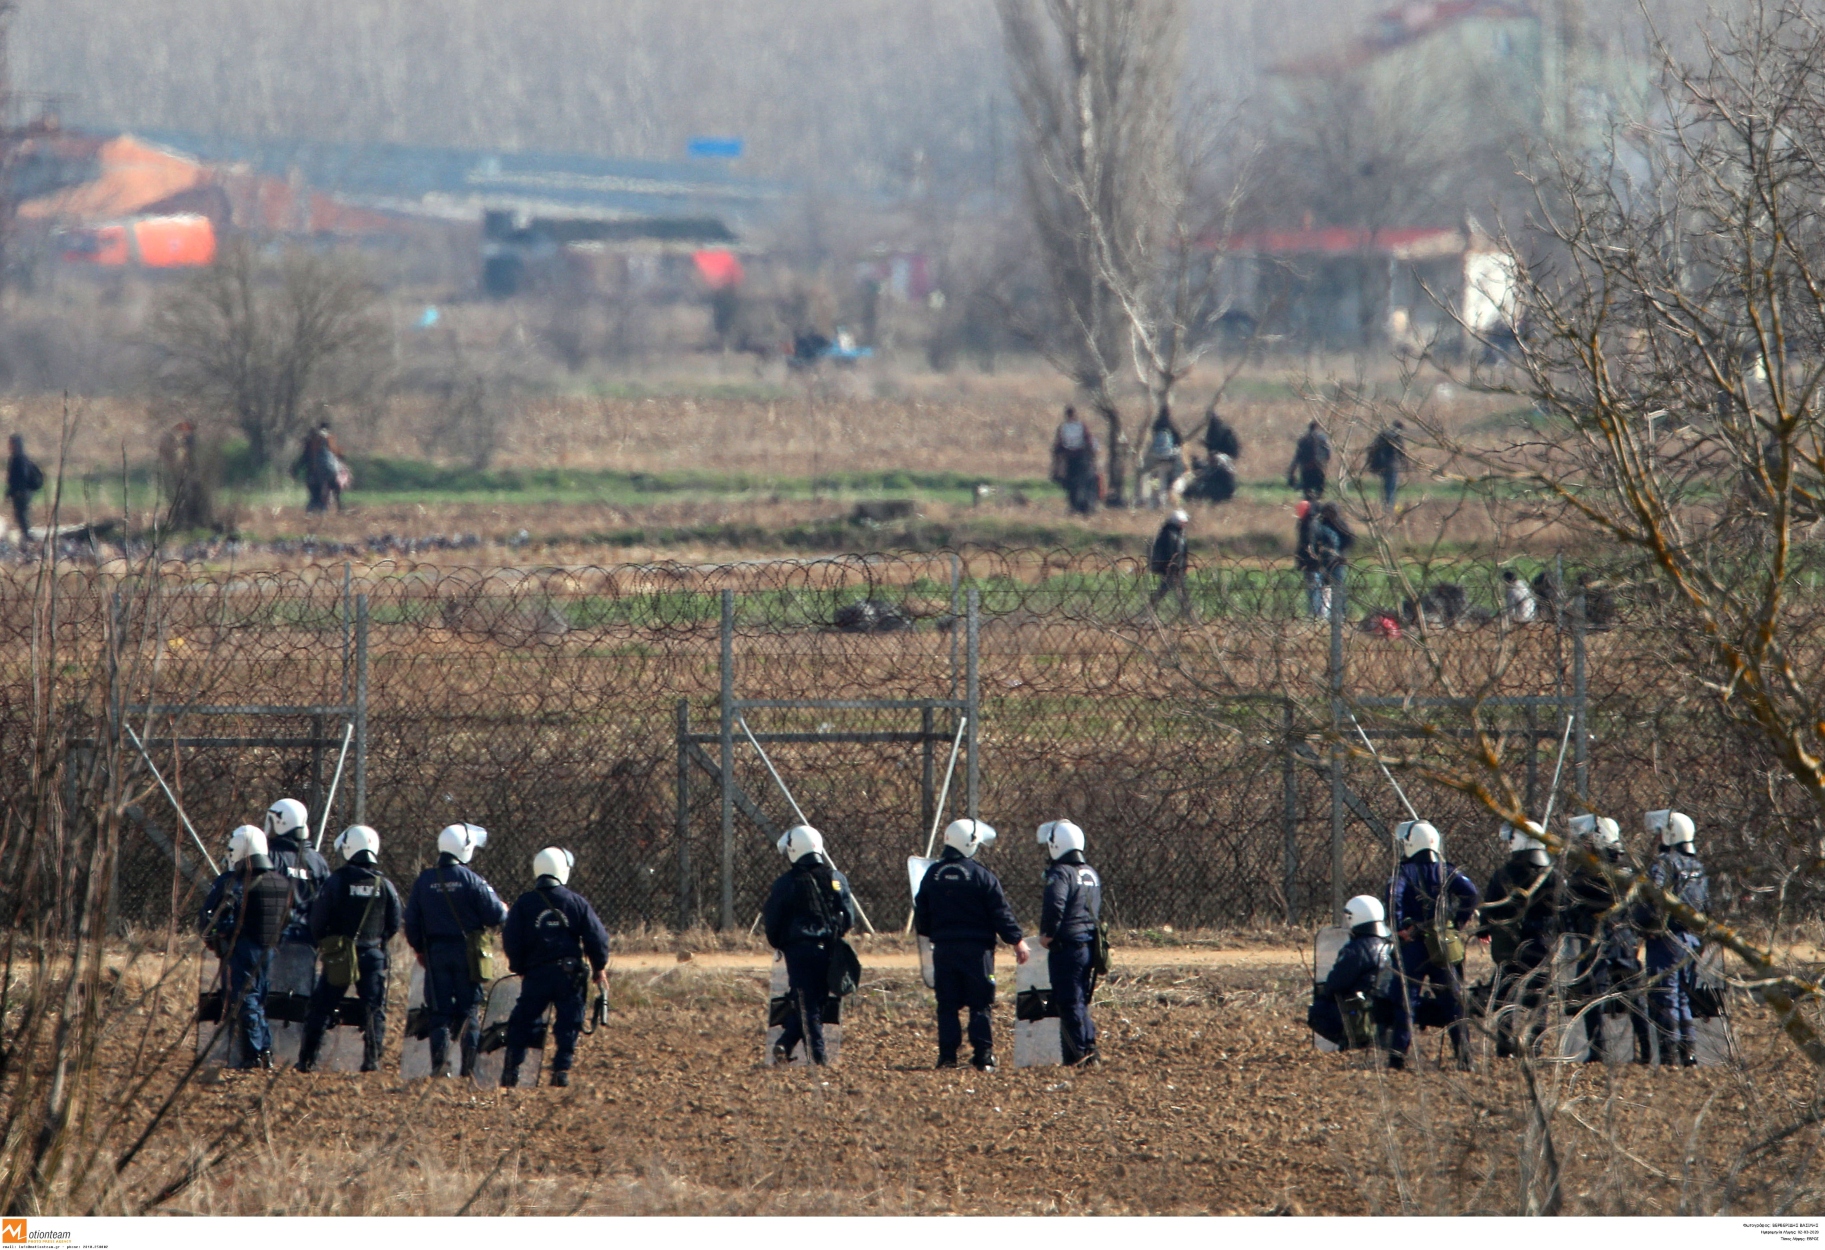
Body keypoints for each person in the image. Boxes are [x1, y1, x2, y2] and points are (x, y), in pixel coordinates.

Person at [913, 819, 1030, 1071]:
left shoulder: (931, 875)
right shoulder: (981, 875)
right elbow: (1000, 912)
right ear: (969, 844)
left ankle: (947, 1058)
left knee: (947, 1005)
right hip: (978, 952)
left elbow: (921, 918)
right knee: (980, 1004)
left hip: (944, 950)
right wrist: (1016, 940)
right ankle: (984, 1057)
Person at [403, 823, 508, 1078]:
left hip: (435, 953)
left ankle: (439, 1067)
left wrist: (420, 949)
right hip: (468, 955)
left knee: (439, 1013)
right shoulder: (472, 880)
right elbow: (497, 914)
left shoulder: (424, 881)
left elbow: (411, 921)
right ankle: (468, 1070)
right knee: (469, 1010)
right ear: (464, 849)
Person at [499, 847, 611, 1088]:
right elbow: (597, 938)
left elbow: (510, 938)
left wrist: (519, 966)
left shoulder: (523, 904)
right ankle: (561, 1071)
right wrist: (599, 967)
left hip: (536, 974)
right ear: (563, 870)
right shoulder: (576, 902)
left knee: (524, 1020)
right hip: (568, 976)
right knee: (569, 1022)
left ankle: (511, 1070)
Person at [296, 824, 401, 1073]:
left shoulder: (337, 881)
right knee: (374, 1009)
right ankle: (371, 1061)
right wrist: (377, 941)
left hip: (341, 956)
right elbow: (395, 922)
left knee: (321, 1007)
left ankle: (308, 1060)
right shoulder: (384, 884)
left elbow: (318, 920)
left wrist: (327, 943)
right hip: (373, 953)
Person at [197, 826, 293, 1069]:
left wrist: (216, 936)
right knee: (259, 999)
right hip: (269, 948)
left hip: (242, 948)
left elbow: (210, 920)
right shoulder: (280, 882)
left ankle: (253, 1053)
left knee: (245, 998)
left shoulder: (233, 883)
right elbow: (286, 919)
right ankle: (266, 1050)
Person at [1386, 820, 1480, 1070]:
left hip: (1413, 946)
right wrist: (1456, 923)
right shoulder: (1446, 870)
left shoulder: (1403, 872)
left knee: (1406, 1002)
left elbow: (1393, 898)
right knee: (1454, 1003)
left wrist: (1399, 928)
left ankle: (1397, 1059)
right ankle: (1465, 1058)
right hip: (1443, 945)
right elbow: (1471, 893)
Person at [762, 825, 858, 1067]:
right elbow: (848, 916)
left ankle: (816, 1058)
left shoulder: (786, 882)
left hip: (799, 950)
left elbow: (772, 921)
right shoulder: (836, 878)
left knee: (806, 1003)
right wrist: (835, 935)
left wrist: (781, 943)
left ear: (794, 850)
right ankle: (794, 1048)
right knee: (817, 1001)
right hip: (829, 949)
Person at [1565, 815, 1650, 1064]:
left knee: (1590, 994)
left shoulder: (1588, 872)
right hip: (1624, 941)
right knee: (1634, 995)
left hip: (1597, 942)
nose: (1584, 846)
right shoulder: (1627, 869)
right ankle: (1646, 1049)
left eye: (1587, 841)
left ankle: (1598, 1050)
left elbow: (1573, 906)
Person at [1476, 820, 1557, 1058]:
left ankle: (1505, 1044)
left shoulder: (1504, 874)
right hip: (1542, 943)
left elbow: (1489, 907)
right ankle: (1535, 1045)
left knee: (1505, 995)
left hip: (1510, 945)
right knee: (1539, 995)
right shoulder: (1552, 874)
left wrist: (1484, 929)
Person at [1635, 811, 1707, 1067]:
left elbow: (1654, 898)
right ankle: (1689, 1052)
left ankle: (1669, 1054)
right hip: (1690, 940)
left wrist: (1639, 921)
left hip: (1666, 940)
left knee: (1665, 997)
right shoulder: (1697, 866)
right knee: (1683, 997)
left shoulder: (1665, 863)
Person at [1037, 820, 1103, 1066]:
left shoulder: (1061, 873)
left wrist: (1048, 933)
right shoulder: (1090, 873)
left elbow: (1056, 904)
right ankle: (1089, 1047)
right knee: (1080, 999)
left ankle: (1079, 1055)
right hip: (1086, 945)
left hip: (1067, 947)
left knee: (1068, 1001)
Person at [1308, 895, 1396, 1057]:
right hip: (1387, 1010)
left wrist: (1325, 993)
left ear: (1353, 918)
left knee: (1318, 1010)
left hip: (1362, 1012)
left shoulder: (1357, 949)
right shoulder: (1390, 943)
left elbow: (1336, 983)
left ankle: (1352, 1042)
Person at [263, 798, 331, 947]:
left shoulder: (270, 855)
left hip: (276, 938)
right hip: (308, 938)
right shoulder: (317, 860)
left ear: (281, 822)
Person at [1297, 501, 1352, 619]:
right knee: (1327, 590)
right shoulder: (1318, 524)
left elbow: (1309, 544)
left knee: (1326, 590)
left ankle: (1331, 616)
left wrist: (1337, 554)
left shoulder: (1315, 525)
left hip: (1326, 563)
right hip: (1327, 562)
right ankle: (1334, 616)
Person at [1051, 406, 1102, 515]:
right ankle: (1081, 506)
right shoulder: (1079, 426)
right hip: (1079, 458)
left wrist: (1057, 459)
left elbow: (1059, 445)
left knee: (1075, 483)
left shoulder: (1065, 427)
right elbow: (1089, 441)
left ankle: (1077, 506)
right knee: (1080, 483)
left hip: (1073, 458)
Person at [1141, 405, 1187, 509]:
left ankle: (1159, 503)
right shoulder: (1171, 425)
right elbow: (1179, 440)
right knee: (1168, 480)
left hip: (1157, 458)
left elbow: (1152, 438)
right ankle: (1166, 503)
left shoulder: (1156, 425)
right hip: (1170, 459)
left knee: (1160, 481)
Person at [1148, 510, 1192, 616]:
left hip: (1177, 569)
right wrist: (1171, 567)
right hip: (1171, 569)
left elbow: (1182, 553)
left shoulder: (1178, 534)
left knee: (1180, 593)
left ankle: (1188, 616)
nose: (1185, 524)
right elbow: (1170, 553)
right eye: (1183, 522)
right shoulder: (1169, 534)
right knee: (1165, 591)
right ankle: (1147, 612)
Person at [295, 422, 345, 514]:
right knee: (332, 487)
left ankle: (316, 508)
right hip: (331, 470)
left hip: (316, 472)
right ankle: (337, 506)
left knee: (316, 492)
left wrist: (296, 469)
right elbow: (339, 454)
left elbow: (305, 457)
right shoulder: (330, 439)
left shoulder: (312, 441)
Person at [6, 434, 43, 543]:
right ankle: (26, 534)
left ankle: (27, 536)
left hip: (22, 493)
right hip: (20, 492)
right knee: (20, 514)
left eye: (11, 443)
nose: (9, 446)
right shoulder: (16, 458)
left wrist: (18, 491)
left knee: (21, 514)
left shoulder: (20, 459)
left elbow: (22, 476)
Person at [1365, 421, 1408, 513]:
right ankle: (1389, 509)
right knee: (1391, 488)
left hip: (1380, 466)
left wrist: (1370, 465)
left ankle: (1384, 507)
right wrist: (1406, 465)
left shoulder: (1382, 436)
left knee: (1385, 488)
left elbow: (1371, 449)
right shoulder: (1397, 438)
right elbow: (1402, 453)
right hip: (1392, 467)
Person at [1287, 421, 1333, 498]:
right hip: (1319, 469)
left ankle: (1309, 507)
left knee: (1307, 494)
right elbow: (1328, 454)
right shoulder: (1322, 439)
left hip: (1306, 470)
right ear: (1318, 428)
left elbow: (1297, 457)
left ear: (1309, 428)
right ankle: (1317, 506)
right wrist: (1324, 463)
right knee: (1319, 494)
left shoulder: (1303, 440)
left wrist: (1291, 472)